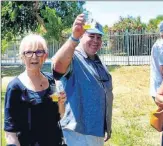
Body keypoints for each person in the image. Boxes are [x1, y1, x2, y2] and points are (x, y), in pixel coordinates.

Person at [51, 13, 113, 146]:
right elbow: (57, 66)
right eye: (91, 36)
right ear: (82, 36)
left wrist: (106, 126)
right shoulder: (74, 57)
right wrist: (74, 38)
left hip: (95, 131)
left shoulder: (98, 61)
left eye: (99, 37)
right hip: (77, 134)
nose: (96, 40)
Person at [4, 34, 66, 146]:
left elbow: (59, 116)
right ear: (21, 57)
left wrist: (61, 104)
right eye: (28, 52)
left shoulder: (52, 81)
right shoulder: (15, 87)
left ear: (45, 55)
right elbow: (10, 132)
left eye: (39, 52)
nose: (34, 57)